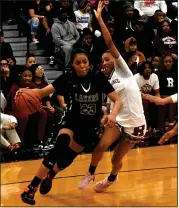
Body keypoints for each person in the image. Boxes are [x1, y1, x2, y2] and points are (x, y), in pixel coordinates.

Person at [20, 48, 121, 205]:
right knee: (58, 148)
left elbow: (117, 99)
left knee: (66, 160)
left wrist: (113, 114)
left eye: (85, 62)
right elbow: (43, 92)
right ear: (72, 65)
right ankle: (31, 188)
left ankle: (51, 175)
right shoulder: (68, 77)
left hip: (89, 127)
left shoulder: (97, 77)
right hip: (71, 121)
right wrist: (28, 92)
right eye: (78, 63)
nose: (82, 65)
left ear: (89, 63)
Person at [78, 1, 146, 193]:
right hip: (119, 120)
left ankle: (111, 178)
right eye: (102, 61)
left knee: (116, 159)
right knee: (100, 146)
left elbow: (109, 43)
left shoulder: (123, 71)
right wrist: (107, 116)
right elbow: (112, 102)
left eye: (108, 59)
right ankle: (90, 172)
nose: (105, 62)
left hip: (135, 124)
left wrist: (99, 19)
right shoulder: (107, 81)